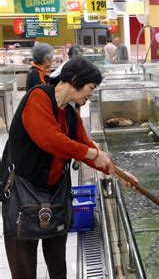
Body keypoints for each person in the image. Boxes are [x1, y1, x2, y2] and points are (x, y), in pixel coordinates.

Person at [2, 57, 138, 279]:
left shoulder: (71, 116)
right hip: (22, 196)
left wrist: (119, 172)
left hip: (54, 195)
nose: (90, 94)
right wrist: (93, 152)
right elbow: (50, 139)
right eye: (90, 88)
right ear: (75, 79)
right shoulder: (39, 97)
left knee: (58, 266)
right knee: (24, 269)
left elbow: (86, 148)